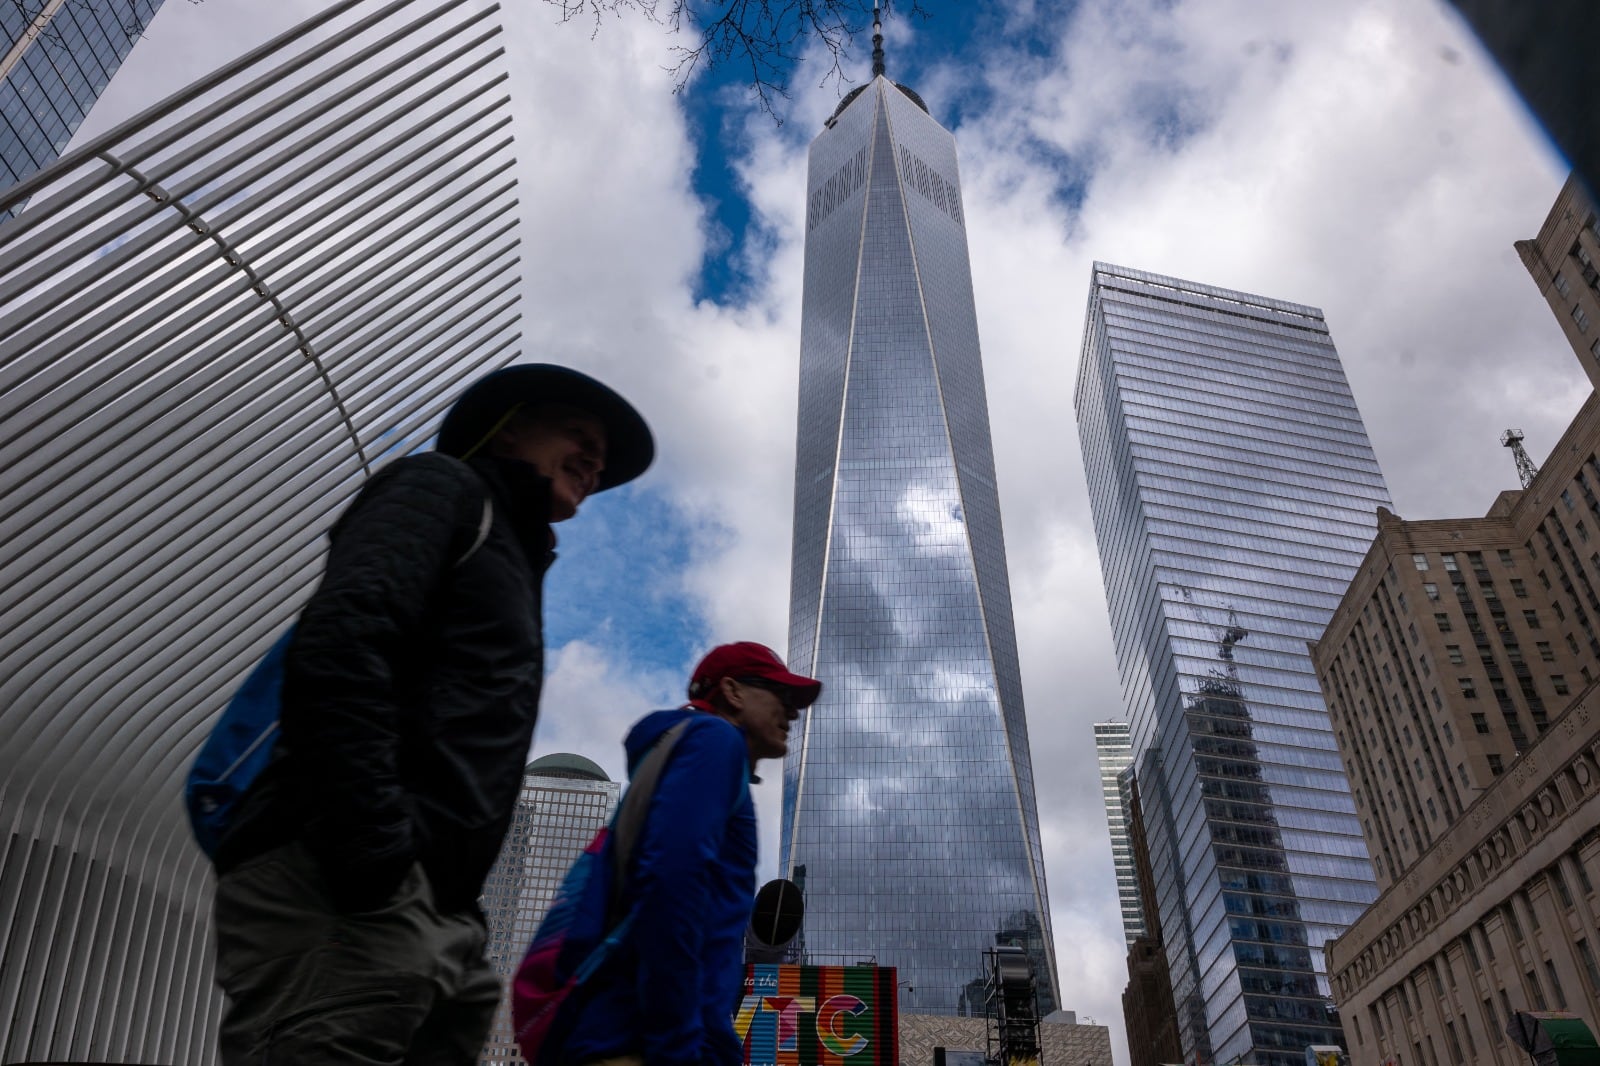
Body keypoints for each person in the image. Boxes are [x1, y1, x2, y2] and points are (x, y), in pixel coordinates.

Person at [210, 363, 654, 1066]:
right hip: (345, 881)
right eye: (577, 432)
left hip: (436, 910)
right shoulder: (440, 488)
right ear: (507, 429)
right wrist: (377, 857)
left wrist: (456, 907)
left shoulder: (516, 554)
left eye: (602, 450)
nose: (597, 459)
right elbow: (341, 646)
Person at [556, 642, 821, 1066]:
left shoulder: (698, 756)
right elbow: (670, 886)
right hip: (641, 1039)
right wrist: (677, 1045)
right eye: (780, 694)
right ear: (732, 692)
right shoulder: (714, 741)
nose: (792, 712)